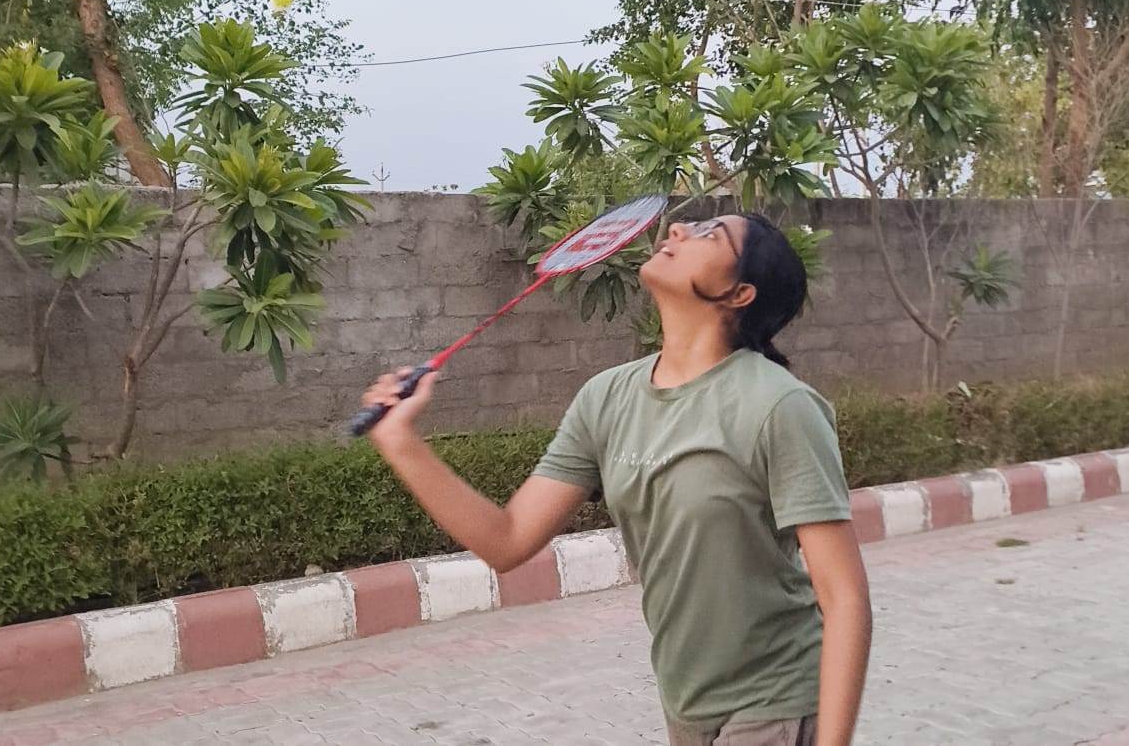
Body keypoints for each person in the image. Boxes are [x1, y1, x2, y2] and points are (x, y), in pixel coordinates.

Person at [359, 212, 873, 746]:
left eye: (709, 234)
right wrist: (401, 442)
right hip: (687, 705)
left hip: (778, 701)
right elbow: (506, 541)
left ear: (739, 293)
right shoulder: (606, 397)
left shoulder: (780, 405)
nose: (678, 229)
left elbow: (844, 597)